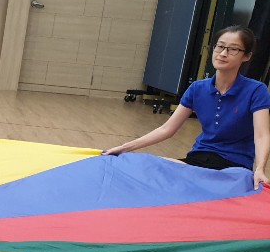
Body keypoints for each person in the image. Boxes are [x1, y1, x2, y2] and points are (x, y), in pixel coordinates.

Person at [104, 26, 270, 190]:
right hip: (197, 161)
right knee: (145, 165)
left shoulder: (256, 90)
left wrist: (260, 169)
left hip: (233, 168)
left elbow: (262, 135)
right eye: (220, 46)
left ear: (246, 56)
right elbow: (167, 129)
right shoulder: (197, 88)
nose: (223, 53)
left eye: (233, 49)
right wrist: (123, 148)